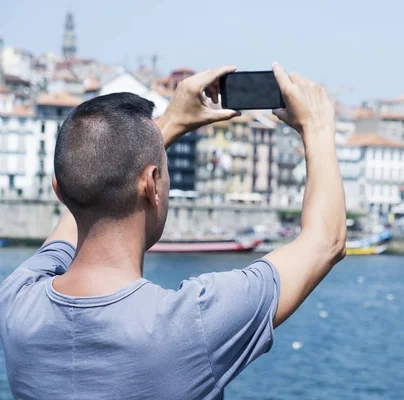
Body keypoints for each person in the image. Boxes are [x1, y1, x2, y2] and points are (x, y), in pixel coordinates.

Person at [0, 63, 346, 399]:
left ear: (59, 192)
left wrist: (168, 125)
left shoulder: (17, 301)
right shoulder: (189, 325)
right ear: (152, 184)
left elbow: (84, 194)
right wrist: (317, 126)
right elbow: (325, 241)